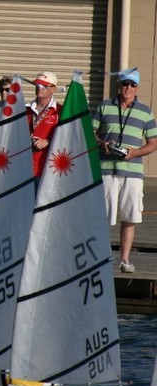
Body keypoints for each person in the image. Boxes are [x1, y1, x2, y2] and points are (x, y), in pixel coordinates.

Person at [93, 68, 157, 274]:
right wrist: (102, 144)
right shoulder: (104, 107)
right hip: (106, 170)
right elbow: (89, 132)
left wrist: (134, 152)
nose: (128, 88)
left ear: (137, 88)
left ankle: (125, 260)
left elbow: (153, 143)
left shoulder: (145, 111)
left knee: (129, 217)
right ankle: (99, 258)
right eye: (125, 84)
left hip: (133, 171)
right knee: (102, 216)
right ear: (118, 85)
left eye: (132, 85)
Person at [27, 71, 62, 179]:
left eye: (44, 86)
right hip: (25, 168)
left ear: (53, 89)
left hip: (49, 171)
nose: (39, 88)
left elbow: (68, 138)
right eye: (37, 85)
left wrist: (48, 141)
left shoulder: (60, 111)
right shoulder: (25, 109)